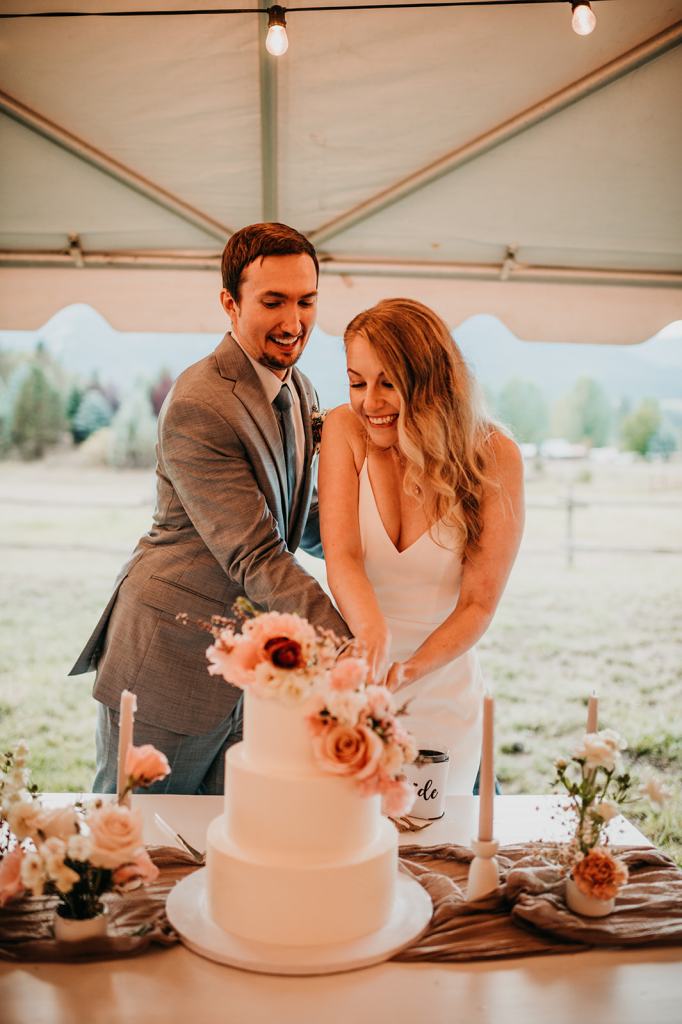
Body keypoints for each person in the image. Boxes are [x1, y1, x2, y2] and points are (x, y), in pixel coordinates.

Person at [70, 222, 348, 795]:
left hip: (251, 666)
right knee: (138, 830)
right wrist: (347, 648)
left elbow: (302, 517)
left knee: (229, 830)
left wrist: (392, 557)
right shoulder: (199, 402)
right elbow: (256, 552)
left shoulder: (300, 388)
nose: (294, 322)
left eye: (306, 301)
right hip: (169, 657)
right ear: (230, 303)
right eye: (273, 301)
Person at [318, 298, 524, 794]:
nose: (369, 402)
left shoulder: (495, 455)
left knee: (434, 832)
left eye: (388, 383)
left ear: (430, 380)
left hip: (443, 688)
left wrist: (408, 670)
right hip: (357, 681)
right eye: (357, 382)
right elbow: (342, 558)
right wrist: (373, 639)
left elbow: (478, 603)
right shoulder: (344, 430)